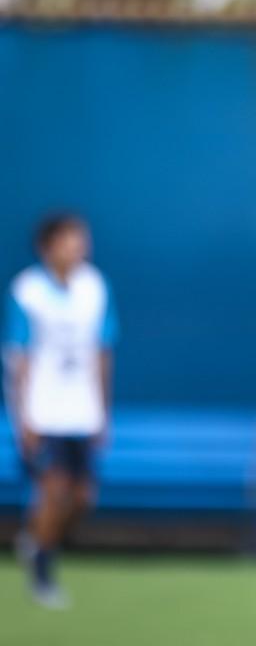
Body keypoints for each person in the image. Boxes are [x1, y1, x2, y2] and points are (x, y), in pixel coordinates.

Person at [3, 214, 118, 608]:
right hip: (44, 411)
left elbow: (103, 352)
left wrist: (103, 411)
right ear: (48, 245)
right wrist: (22, 418)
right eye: (70, 239)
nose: (79, 246)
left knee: (83, 496)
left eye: (81, 239)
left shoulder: (94, 286)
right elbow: (18, 359)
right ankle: (42, 573)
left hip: (82, 411)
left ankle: (35, 538)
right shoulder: (27, 290)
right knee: (52, 490)